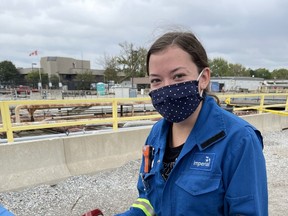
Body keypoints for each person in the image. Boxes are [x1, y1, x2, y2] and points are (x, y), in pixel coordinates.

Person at [116, 31, 268, 216]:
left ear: (203, 78)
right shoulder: (156, 134)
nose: (166, 88)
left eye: (178, 76)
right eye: (156, 80)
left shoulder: (239, 140)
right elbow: (148, 200)